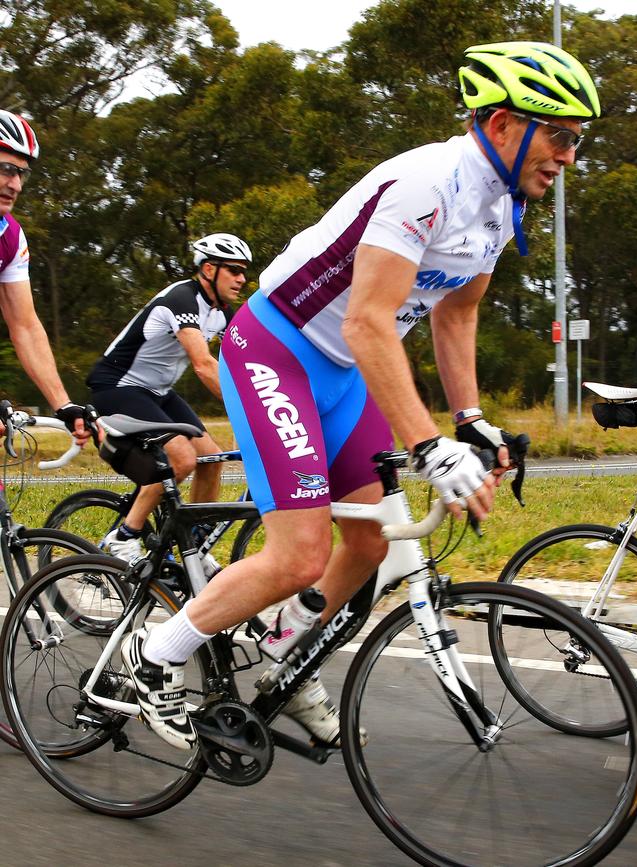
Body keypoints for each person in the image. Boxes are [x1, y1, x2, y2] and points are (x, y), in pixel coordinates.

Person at [121, 41, 601, 750]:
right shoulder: (426, 184)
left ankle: (280, 650)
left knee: (371, 540)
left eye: (576, 143)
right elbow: (368, 319)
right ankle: (152, 656)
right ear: (502, 123)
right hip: (277, 349)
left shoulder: (501, 208)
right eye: (559, 136)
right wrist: (429, 444)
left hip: (344, 371)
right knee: (300, 554)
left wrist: (469, 418)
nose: (566, 157)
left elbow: (456, 313)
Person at [87, 233, 252, 566]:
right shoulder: (182, 298)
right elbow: (205, 365)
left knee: (212, 458)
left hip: (158, 391)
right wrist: (249, 409)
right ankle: (123, 537)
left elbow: (244, 360)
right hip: (118, 386)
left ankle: (194, 544)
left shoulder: (220, 311)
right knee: (180, 459)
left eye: (243, 271)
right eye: (233, 270)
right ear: (209, 268)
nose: (242, 279)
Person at [0, 109, 94, 443]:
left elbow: (24, 325)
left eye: (22, 174)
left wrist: (63, 404)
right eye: (7, 170)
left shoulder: (10, 237)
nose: (16, 184)